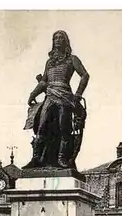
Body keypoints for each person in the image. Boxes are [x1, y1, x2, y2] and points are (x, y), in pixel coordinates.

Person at [26, 31, 90, 169]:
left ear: (66, 41)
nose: (58, 40)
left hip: (65, 97)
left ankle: (62, 159)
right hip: (50, 96)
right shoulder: (49, 62)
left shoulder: (72, 59)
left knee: (64, 128)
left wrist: (78, 94)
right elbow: (44, 82)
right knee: (41, 127)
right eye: (55, 38)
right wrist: (32, 94)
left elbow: (85, 75)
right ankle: (36, 159)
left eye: (61, 38)